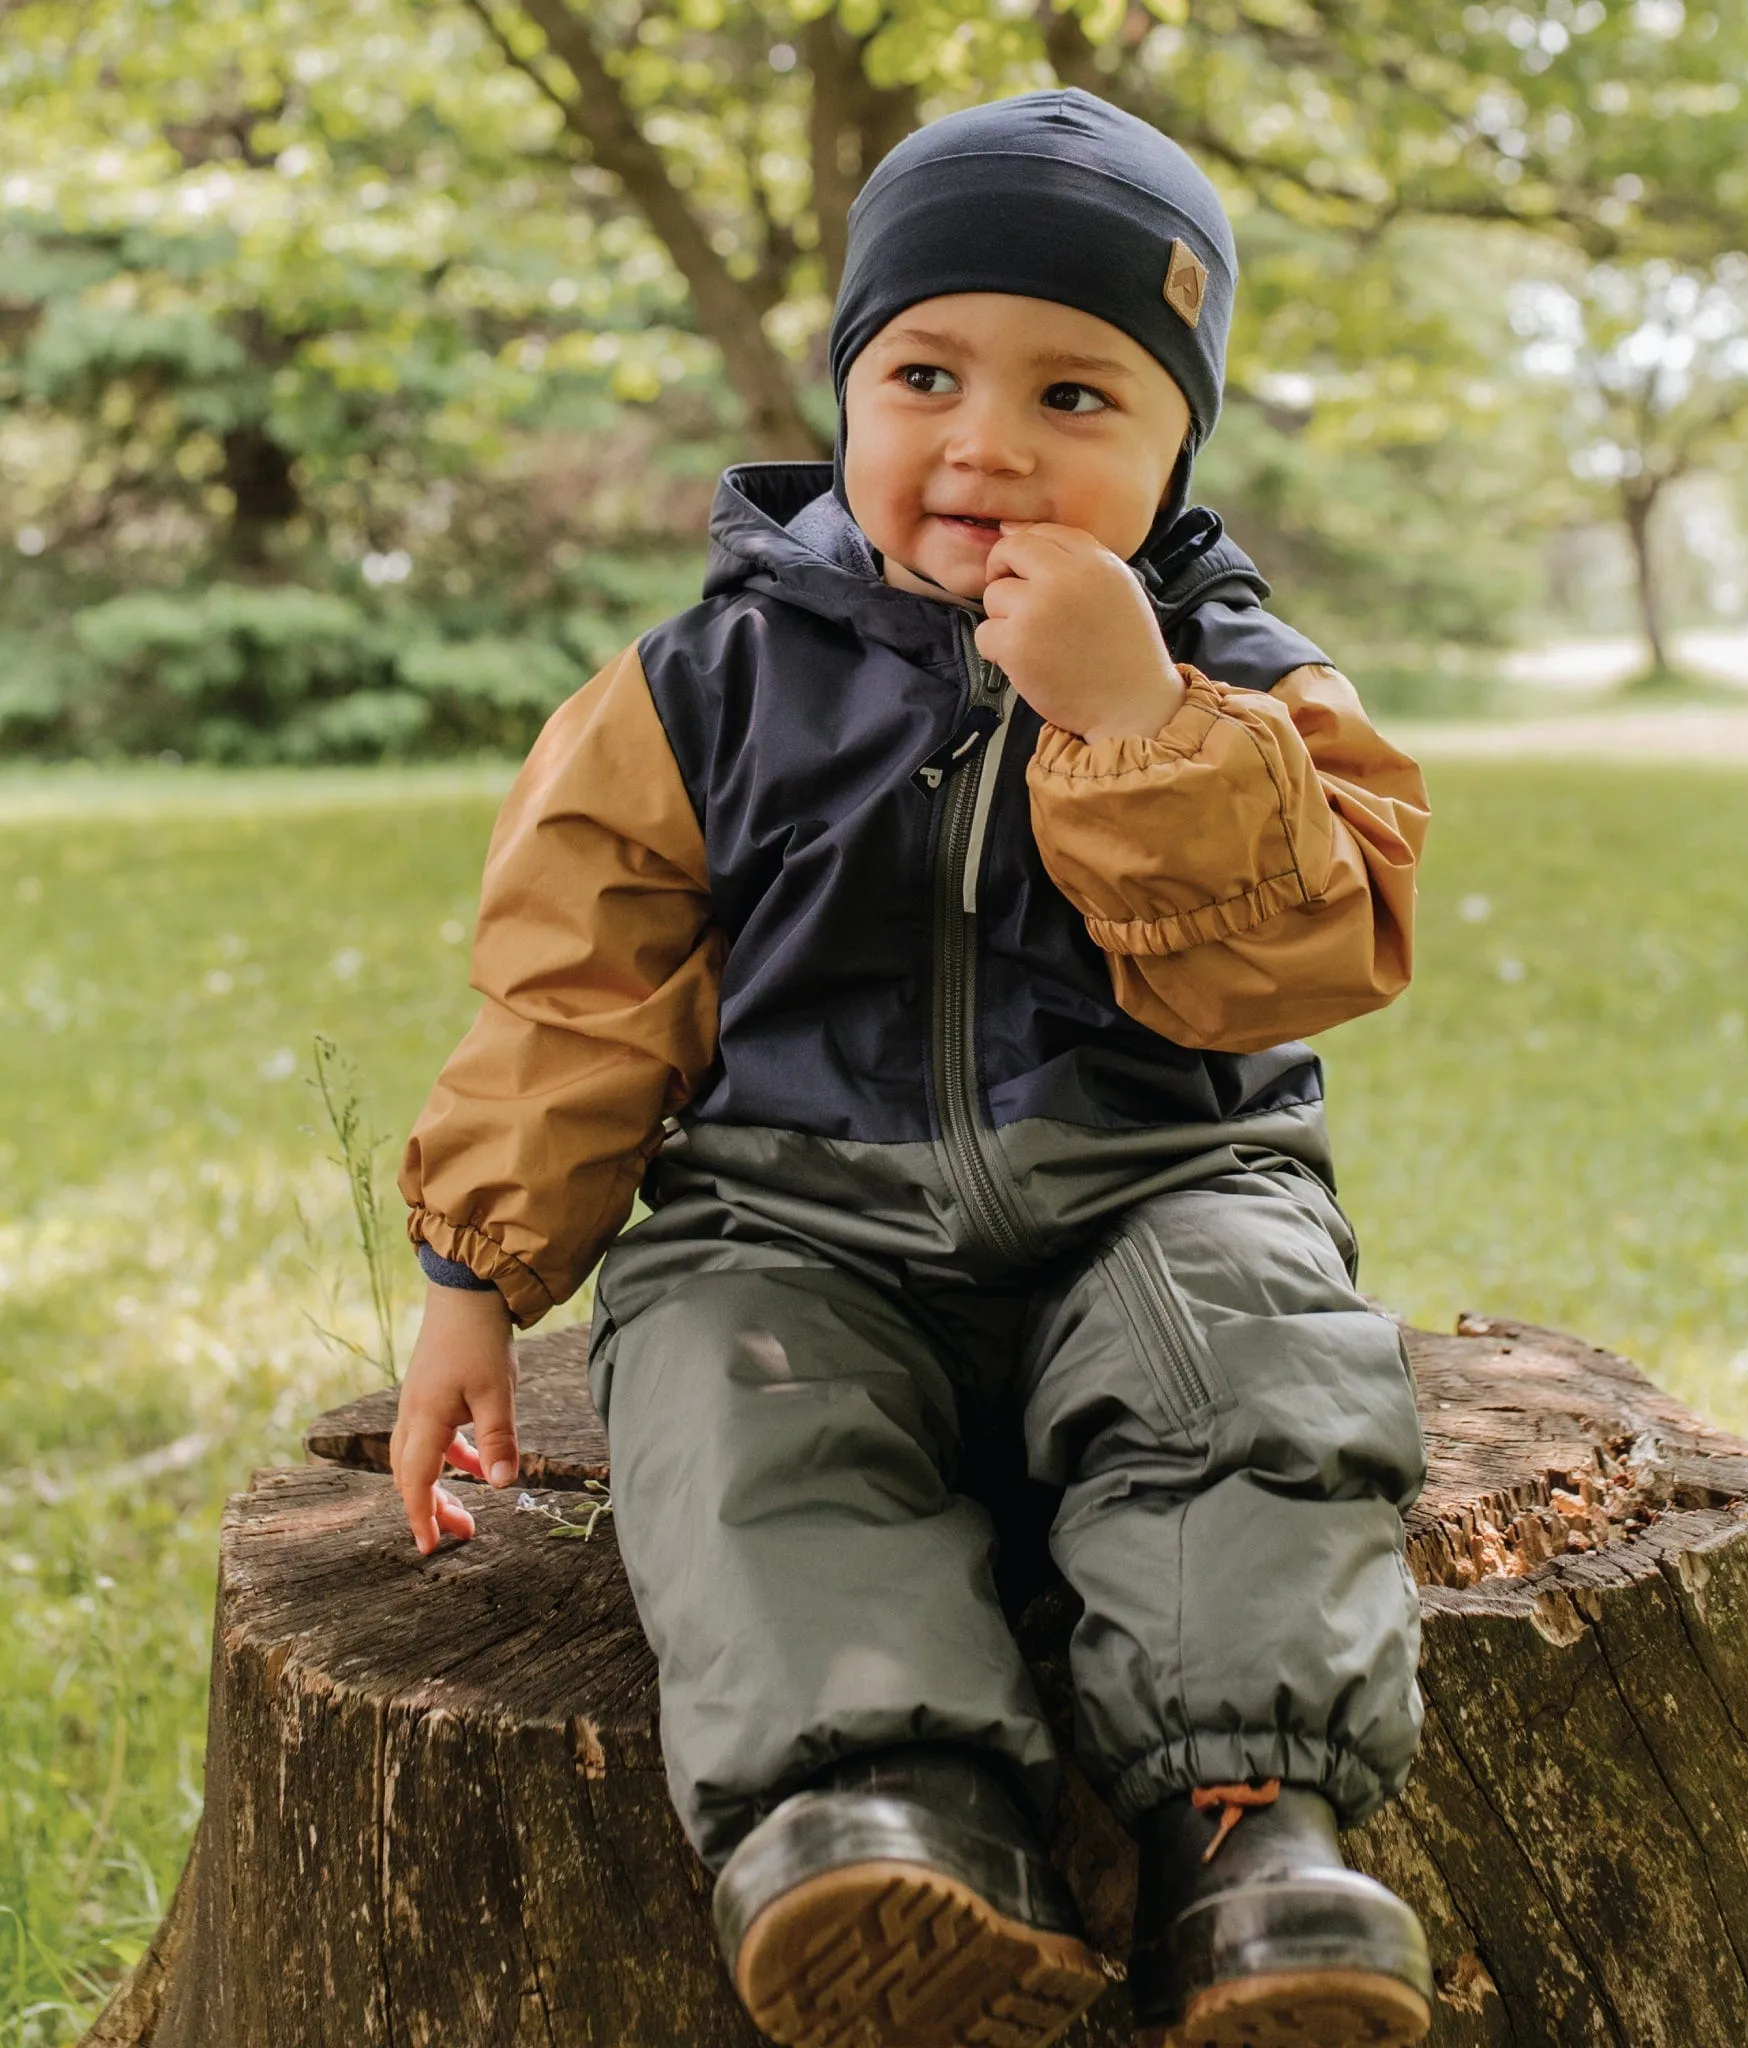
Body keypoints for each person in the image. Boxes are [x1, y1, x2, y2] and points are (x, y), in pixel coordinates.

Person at [388, 88, 1435, 2048]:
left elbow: (1301, 957)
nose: (986, 441)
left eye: (1075, 397)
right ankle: (889, 1823)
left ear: (1176, 435)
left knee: (1255, 1382)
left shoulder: (1254, 687)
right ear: (847, 385)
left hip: (1155, 1183)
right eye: (928, 371)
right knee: (734, 1417)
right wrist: (475, 1271)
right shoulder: (699, 688)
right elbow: (573, 995)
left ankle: (1248, 1828)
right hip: (792, 1206)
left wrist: (1137, 723)